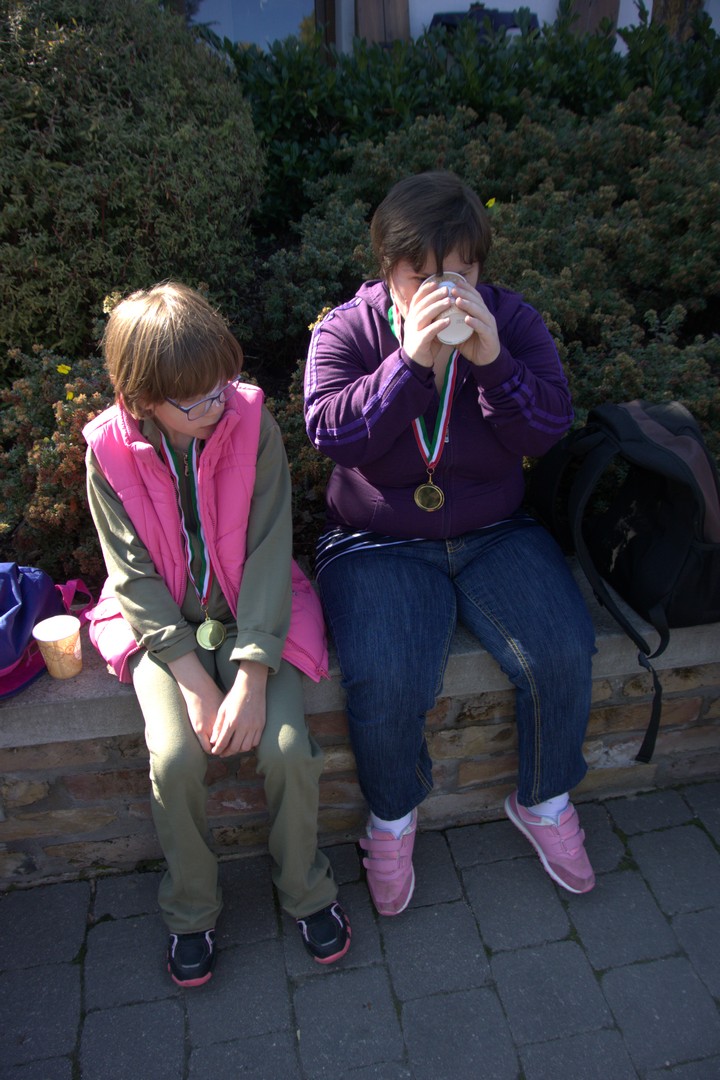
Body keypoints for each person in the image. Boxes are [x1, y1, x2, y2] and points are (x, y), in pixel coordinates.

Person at [304, 170, 597, 917]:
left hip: (493, 527)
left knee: (563, 647)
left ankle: (544, 800)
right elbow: (331, 434)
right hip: (376, 537)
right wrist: (409, 364)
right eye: (422, 277)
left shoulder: (512, 320)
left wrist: (495, 363)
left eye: (460, 274)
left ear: (480, 269)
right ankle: (392, 819)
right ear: (388, 271)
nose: (444, 291)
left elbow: (547, 428)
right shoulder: (346, 330)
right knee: (387, 676)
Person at [84, 282, 350, 986]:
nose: (214, 406)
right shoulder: (106, 451)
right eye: (193, 400)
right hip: (162, 630)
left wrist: (254, 673)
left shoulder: (252, 422)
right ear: (141, 397)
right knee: (174, 761)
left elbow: (268, 549)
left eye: (219, 387)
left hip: (253, 613)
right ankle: (192, 909)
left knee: (289, 752)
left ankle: (307, 890)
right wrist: (196, 685)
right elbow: (132, 575)